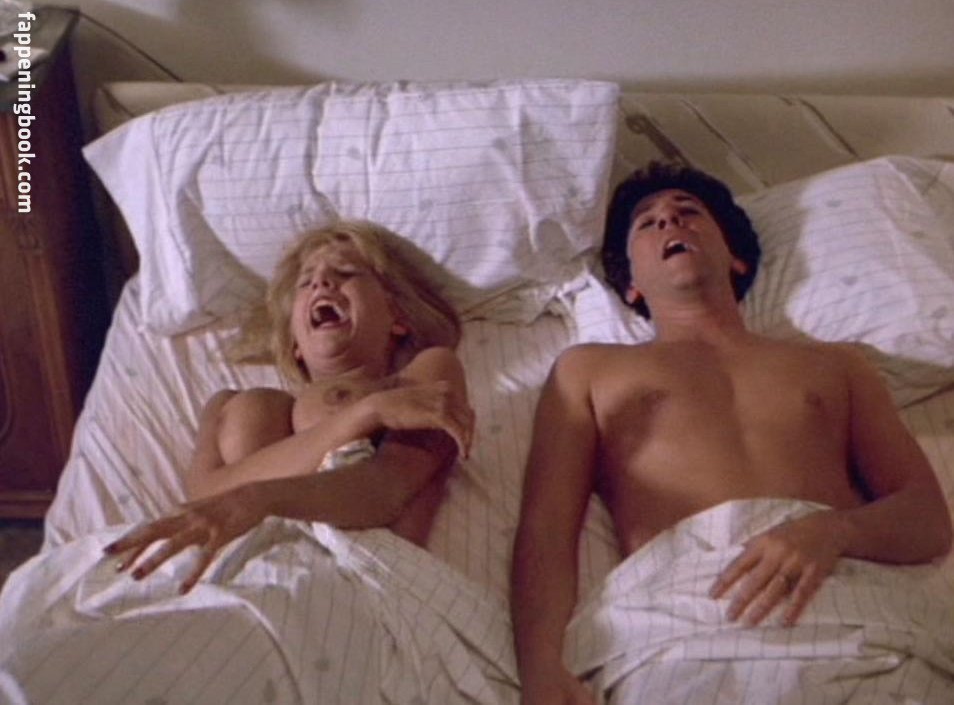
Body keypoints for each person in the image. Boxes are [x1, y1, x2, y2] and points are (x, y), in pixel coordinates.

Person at [510, 162, 953, 704]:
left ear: (735, 257)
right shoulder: (588, 370)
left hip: (842, 604)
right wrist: (540, 667)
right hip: (683, 623)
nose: (669, 219)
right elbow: (546, 530)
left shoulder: (837, 366)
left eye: (688, 211)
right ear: (631, 285)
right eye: (647, 222)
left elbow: (927, 519)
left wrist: (834, 532)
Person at [105, 220, 475, 594]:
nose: (321, 282)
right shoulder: (224, 404)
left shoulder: (424, 374)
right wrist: (366, 415)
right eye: (305, 282)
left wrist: (259, 498)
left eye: (346, 273)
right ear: (294, 340)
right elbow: (206, 502)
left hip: (355, 586)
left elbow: (387, 490)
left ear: (398, 319)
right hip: (223, 578)